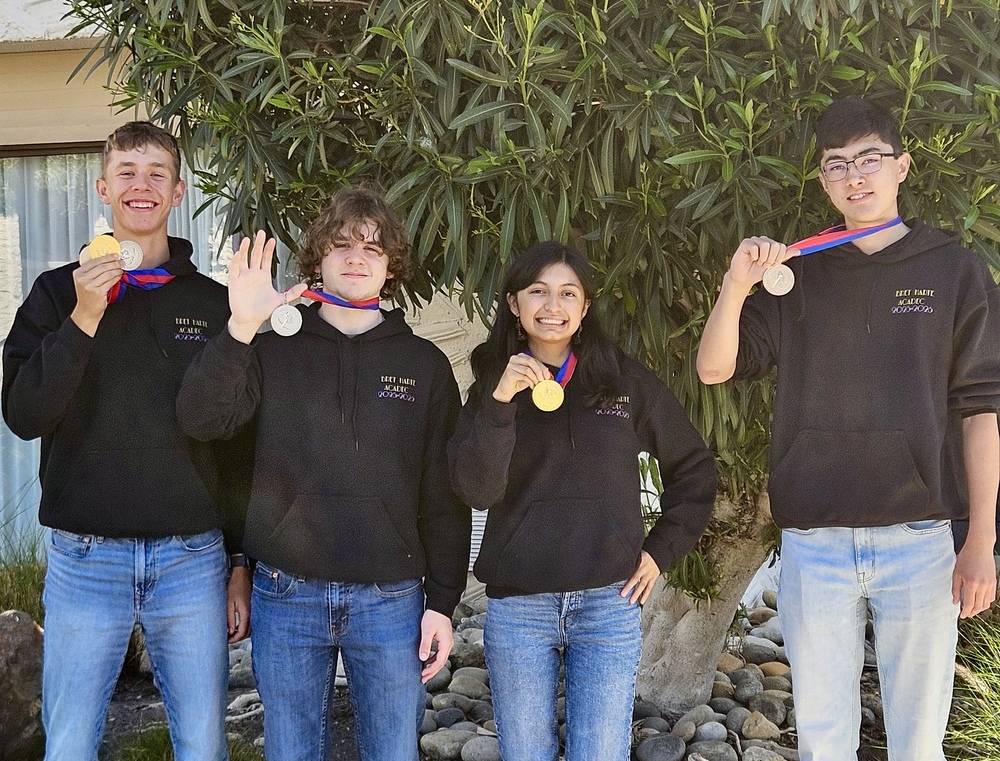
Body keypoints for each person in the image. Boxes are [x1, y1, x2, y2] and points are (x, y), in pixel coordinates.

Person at [696, 96, 1000, 761]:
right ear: (823, 180)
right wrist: (736, 284)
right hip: (817, 544)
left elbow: (981, 410)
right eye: (837, 164)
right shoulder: (799, 270)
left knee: (919, 747)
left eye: (869, 159)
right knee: (824, 744)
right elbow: (714, 369)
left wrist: (981, 540)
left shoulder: (953, 268)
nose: (854, 175)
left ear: (902, 167)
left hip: (920, 540)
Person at [175, 186, 471, 761]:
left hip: (391, 599)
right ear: (317, 259)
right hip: (287, 592)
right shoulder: (271, 351)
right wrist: (240, 326)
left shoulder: (424, 365)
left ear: (391, 266)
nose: (356, 258)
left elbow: (444, 493)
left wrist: (442, 601)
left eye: (372, 247)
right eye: (341, 245)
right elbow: (204, 423)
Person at [1, 122, 252, 761]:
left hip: (191, 560)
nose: (142, 185)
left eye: (157, 174)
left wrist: (239, 562)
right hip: (86, 559)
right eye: (127, 172)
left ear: (178, 192)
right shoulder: (57, 292)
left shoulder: (215, 303)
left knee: (203, 745)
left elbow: (238, 448)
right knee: (69, 744)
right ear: (103, 188)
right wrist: (85, 316)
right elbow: (25, 414)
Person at [448, 241, 716, 761]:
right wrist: (500, 404)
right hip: (520, 605)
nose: (553, 306)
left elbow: (694, 469)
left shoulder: (624, 382)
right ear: (513, 303)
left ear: (586, 306)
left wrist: (660, 551)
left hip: (607, 601)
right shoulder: (491, 387)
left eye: (568, 293)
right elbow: (475, 490)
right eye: (538, 291)